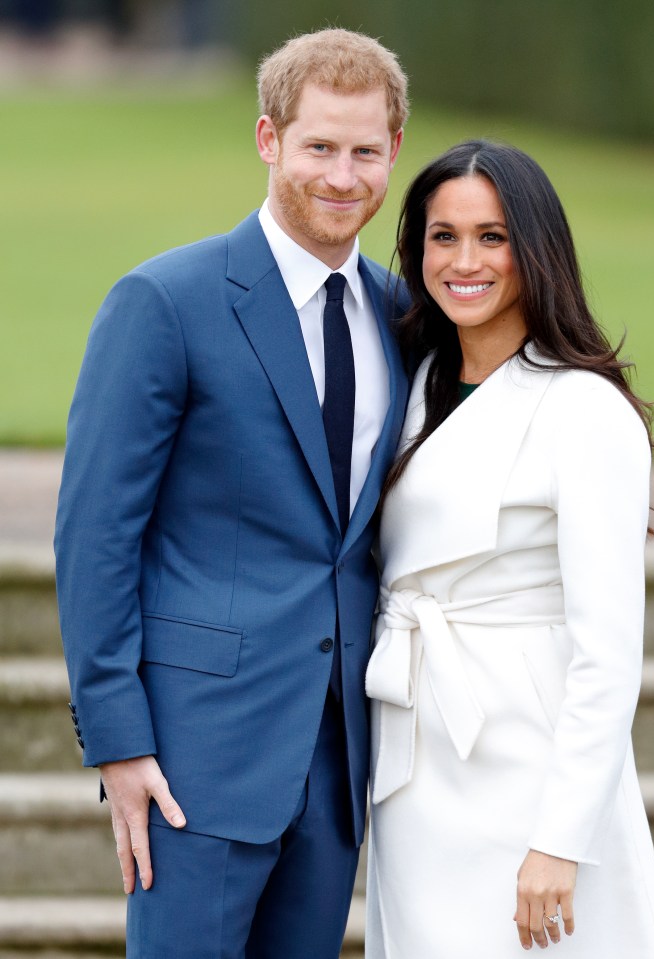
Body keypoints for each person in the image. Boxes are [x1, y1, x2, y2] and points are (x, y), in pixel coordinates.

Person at [54, 28, 409, 959]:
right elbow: (95, 538)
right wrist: (118, 743)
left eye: (364, 150)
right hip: (192, 761)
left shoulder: (402, 315)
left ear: (393, 153)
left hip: (337, 764)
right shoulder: (165, 301)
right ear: (268, 140)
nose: (342, 174)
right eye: (319, 146)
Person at [364, 140, 654, 958]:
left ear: (536, 249)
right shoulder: (412, 385)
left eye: (492, 237)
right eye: (443, 236)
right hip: (416, 761)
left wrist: (561, 839)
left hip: (529, 771)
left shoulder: (583, 409)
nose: (465, 261)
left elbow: (608, 654)